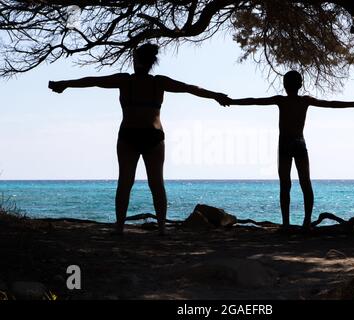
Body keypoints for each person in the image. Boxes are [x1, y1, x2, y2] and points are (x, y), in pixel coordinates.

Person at [49, 43, 228, 235]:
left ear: (137, 61)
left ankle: (137, 228)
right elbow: (94, 80)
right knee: (147, 183)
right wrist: (65, 84)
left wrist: (65, 83)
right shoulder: (140, 81)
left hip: (139, 136)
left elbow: (188, 88)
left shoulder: (144, 81)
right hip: (141, 136)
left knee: (137, 183)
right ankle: (145, 228)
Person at [224, 71, 354, 230]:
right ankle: (306, 221)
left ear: (285, 85)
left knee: (285, 185)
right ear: (300, 85)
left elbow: (253, 101)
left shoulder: (281, 100)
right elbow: (331, 103)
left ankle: (286, 223)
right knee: (305, 183)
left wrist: (232, 101)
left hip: (285, 144)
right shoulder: (304, 101)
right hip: (299, 143)